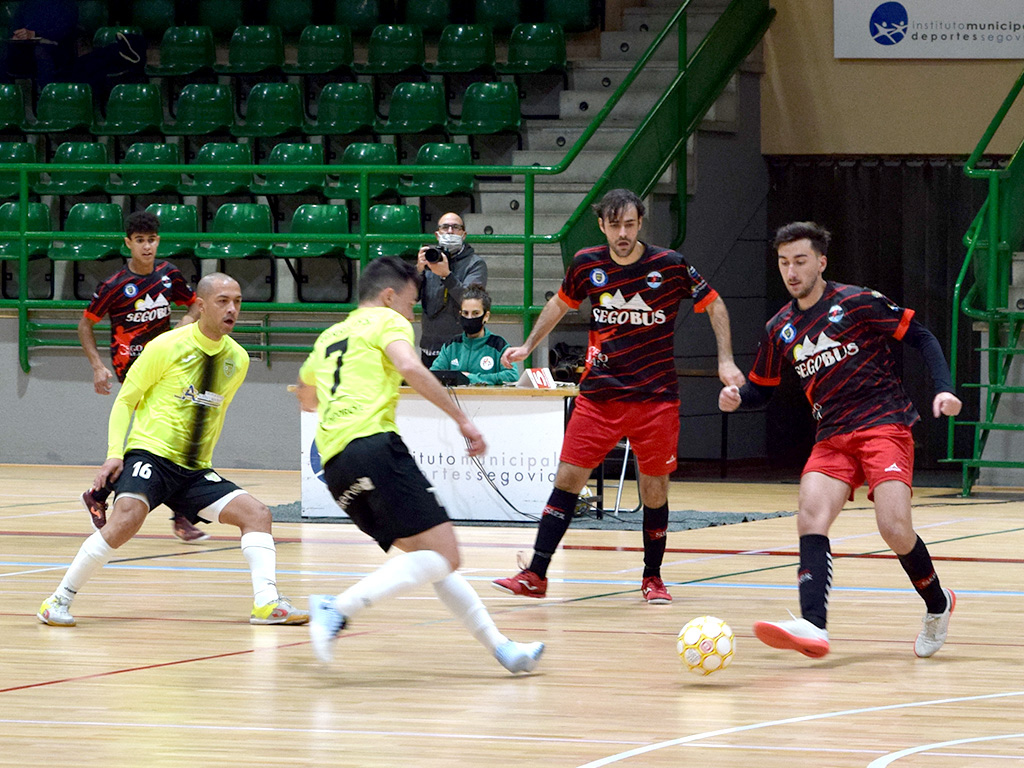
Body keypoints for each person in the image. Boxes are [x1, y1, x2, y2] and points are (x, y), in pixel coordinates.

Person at [718, 221, 962, 659]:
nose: (791, 271)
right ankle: (814, 626)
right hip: (831, 435)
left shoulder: (854, 301)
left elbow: (921, 336)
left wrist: (943, 387)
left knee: (893, 527)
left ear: (821, 262)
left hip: (883, 422)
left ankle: (938, 604)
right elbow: (762, 388)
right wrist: (738, 396)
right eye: (783, 263)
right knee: (810, 517)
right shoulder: (780, 328)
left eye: (800, 261)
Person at [491, 188, 745, 603]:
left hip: (656, 399)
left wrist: (725, 361)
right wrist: (527, 344)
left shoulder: (670, 264)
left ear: (641, 222)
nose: (622, 233)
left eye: (629, 224)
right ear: (601, 226)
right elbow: (559, 304)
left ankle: (652, 578)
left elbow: (715, 304)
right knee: (568, 481)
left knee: (654, 491)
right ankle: (536, 574)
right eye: (614, 225)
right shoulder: (587, 264)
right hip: (599, 397)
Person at [296, 257, 544, 674]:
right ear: (390, 296)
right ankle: (336, 607)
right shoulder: (387, 322)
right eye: (411, 303)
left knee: (430, 559)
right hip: (372, 445)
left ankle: (503, 648)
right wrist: (463, 419)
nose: (411, 313)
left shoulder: (330, 336)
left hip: (335, 465)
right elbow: (411, 367)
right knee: (446, 555)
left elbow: (307, 397)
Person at [37, 273, 309, 628]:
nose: (232, 309)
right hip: (151, 454)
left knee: (257, 515)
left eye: (238, 302)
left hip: (194, 470)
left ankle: (267, 603)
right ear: (200, 305)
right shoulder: (166, 346)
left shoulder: (237, 360)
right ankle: (57, 600)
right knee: (127, 520)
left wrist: (199, 472)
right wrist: (115, 453)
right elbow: (126, 401)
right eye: (223, 301)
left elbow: (215, 414)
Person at [78, 211, 208, 544]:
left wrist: (186, 321)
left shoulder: (169, 275)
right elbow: (85, 324)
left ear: (158, 241)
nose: (147, 247)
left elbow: (195, 305)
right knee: (166, 438)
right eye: (139, 241)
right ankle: (177, 514)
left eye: (151, 240)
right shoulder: (114, 286)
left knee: (173, 436)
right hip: (132, 366)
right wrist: (97, 366)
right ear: (128, 243)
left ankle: (100, 493)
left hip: (167, 363)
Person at [416, 212, 487, 367]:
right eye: (445, 227)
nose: (449, 231)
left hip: (462, 347)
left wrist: (446, 275)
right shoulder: (430, 260)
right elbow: (412, 298)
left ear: (463, 234)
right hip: (430, 346)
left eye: (455, 227)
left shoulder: (475, 264)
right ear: (437, 234)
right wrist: (418, 272)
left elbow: (470, 301)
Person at [429, 284, 519, 385]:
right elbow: (434, 375)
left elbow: (512, 375)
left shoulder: (499, 345)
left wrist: (471, 379)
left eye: (475, 313)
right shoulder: (451, 346)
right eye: (465, 313)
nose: (470, 318)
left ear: (486, 316)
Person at [1, 0, 79, 91]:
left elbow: (65, 30)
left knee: (41, 53)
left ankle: (48, 95)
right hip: (25, 47)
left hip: (56, 49)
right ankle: (6, 94)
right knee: (3, 51)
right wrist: (17, 35)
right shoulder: (27, 4)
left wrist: (36, 34)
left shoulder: (66, 4)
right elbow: (16, 25)